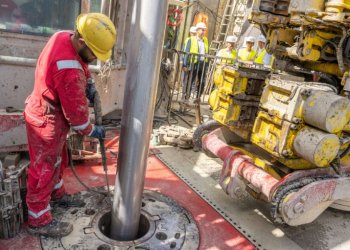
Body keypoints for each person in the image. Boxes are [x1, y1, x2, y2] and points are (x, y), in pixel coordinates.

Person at [24, 13, 116, 237]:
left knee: (59, 159)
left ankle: (56, 195)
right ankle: (39, 219)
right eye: (94, 53)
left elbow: (80, 62)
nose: (95, 59)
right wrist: (93, 130)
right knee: (44, 168)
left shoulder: (64, 37)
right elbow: (77, 118)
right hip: (46, 118)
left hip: (51, 112)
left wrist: (90, 83)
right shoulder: (68, 70)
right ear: (83, 41)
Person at [183, 22, 209, 99]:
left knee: (202, 82)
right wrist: (184, 64)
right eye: (202, 30)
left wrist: (206, 64)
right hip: (193, 63)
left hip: (202, 63)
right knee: (190, 81)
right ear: (197, 30)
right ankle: (186, 97)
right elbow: (186, 53)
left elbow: (207, 52)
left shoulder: (205, 40)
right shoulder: (191, 40)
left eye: (204, 30)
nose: (204, 32)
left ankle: (198, 98)